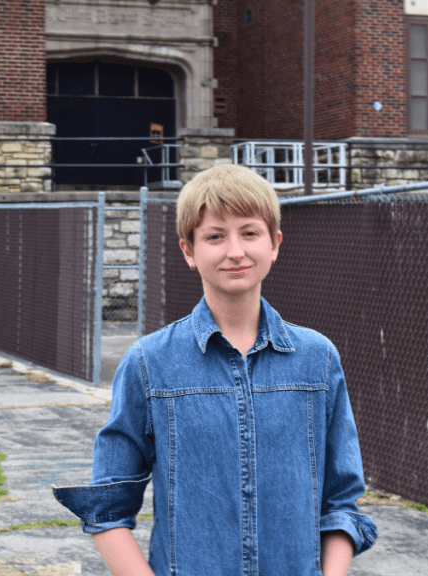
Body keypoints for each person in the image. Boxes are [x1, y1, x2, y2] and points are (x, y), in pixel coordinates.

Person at [53, 164, 377, 576]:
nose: (235, 251)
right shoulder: (148, 364)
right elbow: (107, 506)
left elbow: (340, 503)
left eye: (250, 232)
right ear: (189, 250)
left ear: (275, 243)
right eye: (215, 236)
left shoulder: (318, 359)